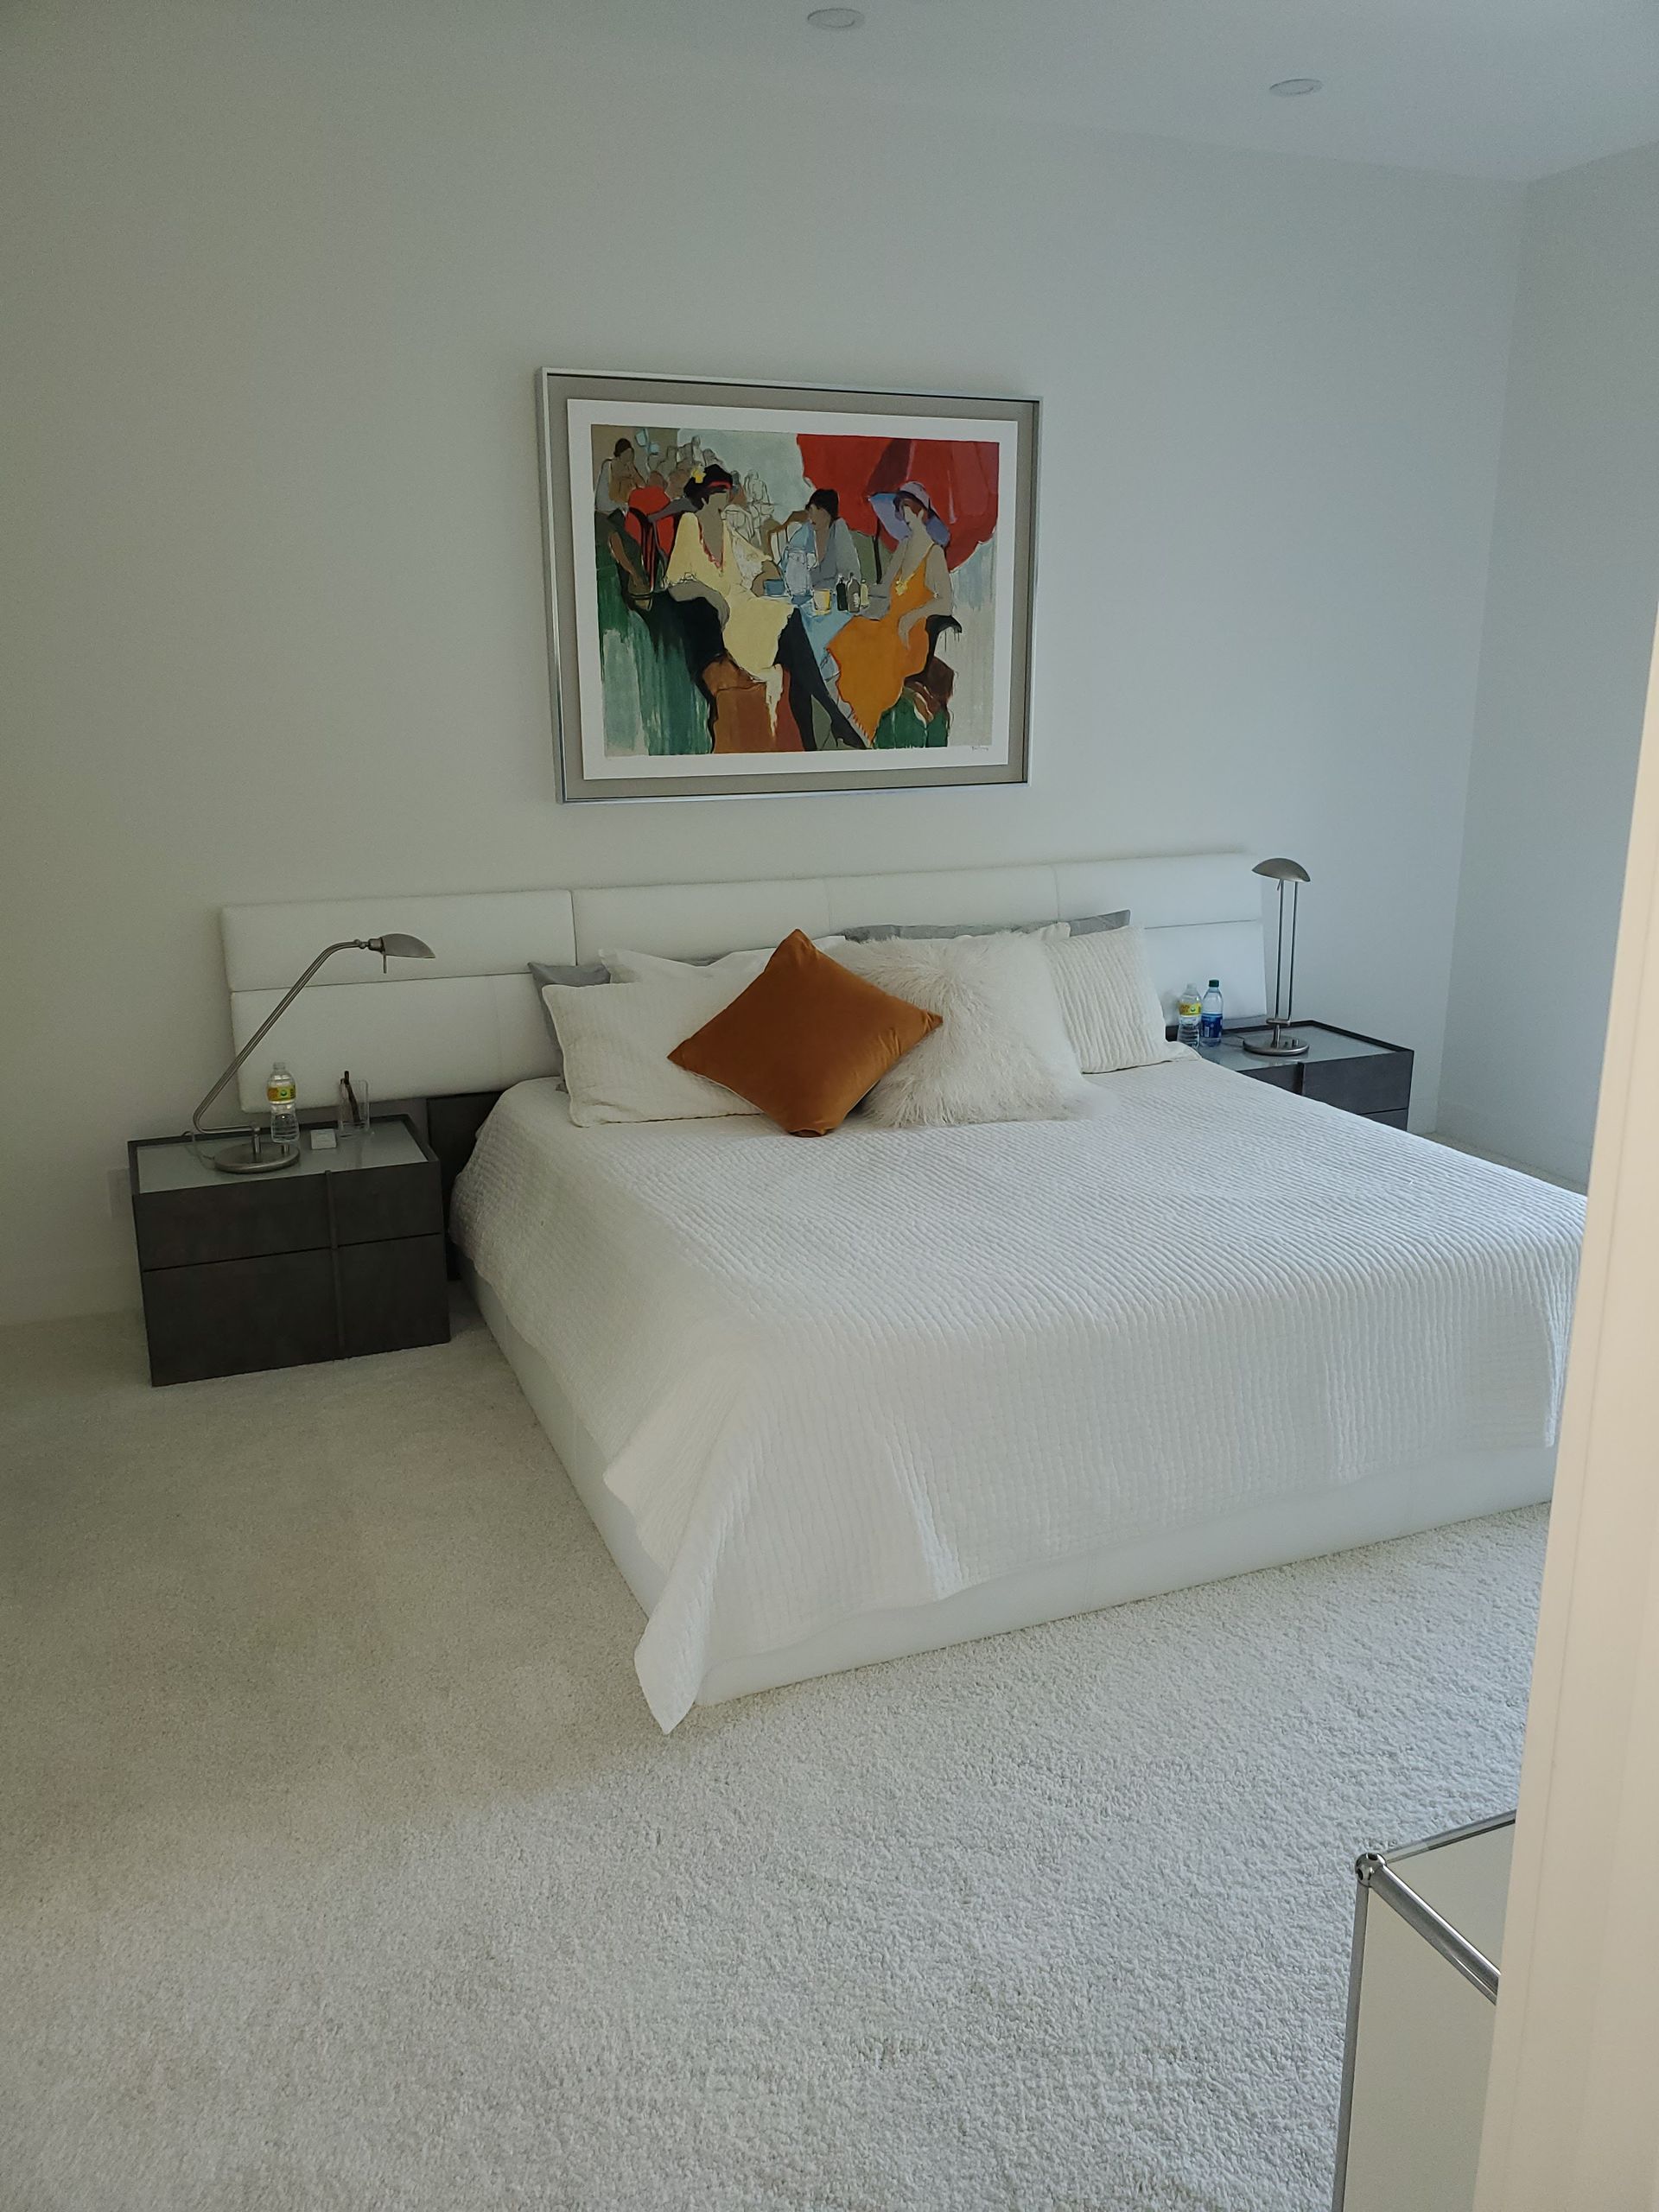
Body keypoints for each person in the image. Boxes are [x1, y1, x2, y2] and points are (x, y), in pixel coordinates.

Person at [663, 466, 797, 747]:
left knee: (784, 614)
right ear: (708, 494)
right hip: (717, 609)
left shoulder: (726, 529)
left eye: (727, 491)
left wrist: (762, 575)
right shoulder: (690, 523)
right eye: (722, 491)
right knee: (766, 623)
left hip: (740, 600)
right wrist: (710, 595)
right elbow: (675, 582)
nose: (727, 496)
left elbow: (762, 560)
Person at [829, 480, 953, 742]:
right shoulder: (904, 546)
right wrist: (860, 592)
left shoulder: (934, 554)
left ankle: (866, 724)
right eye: (901, 508)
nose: (903, 514)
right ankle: (847, 712)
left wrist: (912, 616)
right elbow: (884, 588)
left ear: (922, 512)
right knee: (850, 633)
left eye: (908, 508)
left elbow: (945, 602)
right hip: (887, 621)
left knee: (879, 656)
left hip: (912, 633)